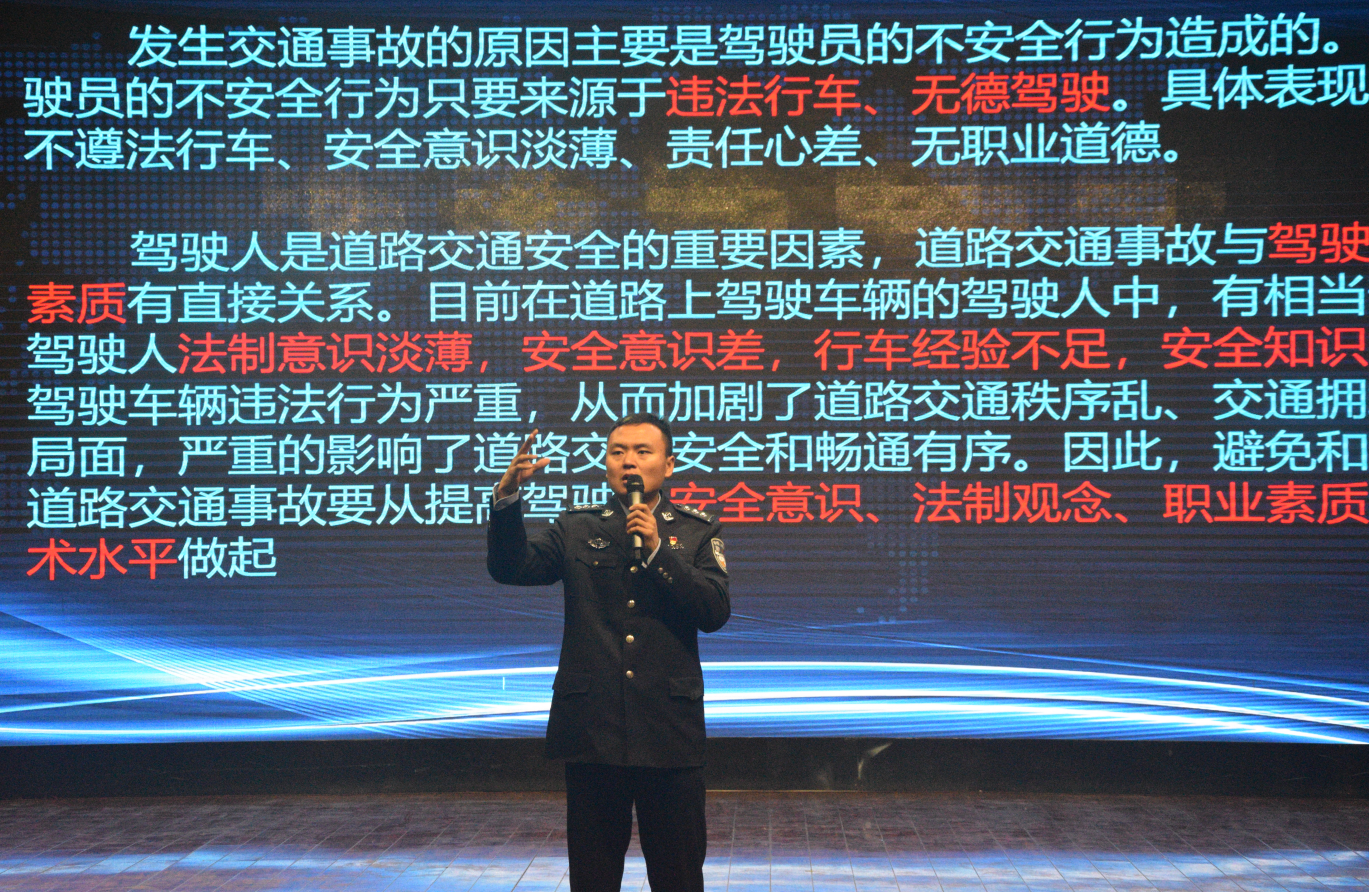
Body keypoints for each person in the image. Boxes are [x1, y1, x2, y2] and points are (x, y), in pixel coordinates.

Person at [486, 413, 731, 892]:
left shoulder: (697, 532)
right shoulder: (576, 527)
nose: (628, 461)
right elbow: (511, 567)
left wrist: (659, 551)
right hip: (592, 730)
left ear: (669, 464)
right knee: (593, 876)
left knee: (679, 874)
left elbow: (714, 611)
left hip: (669, 731)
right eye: (618, 452)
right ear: (606, 464)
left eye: (642, 451)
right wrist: (507, 498)